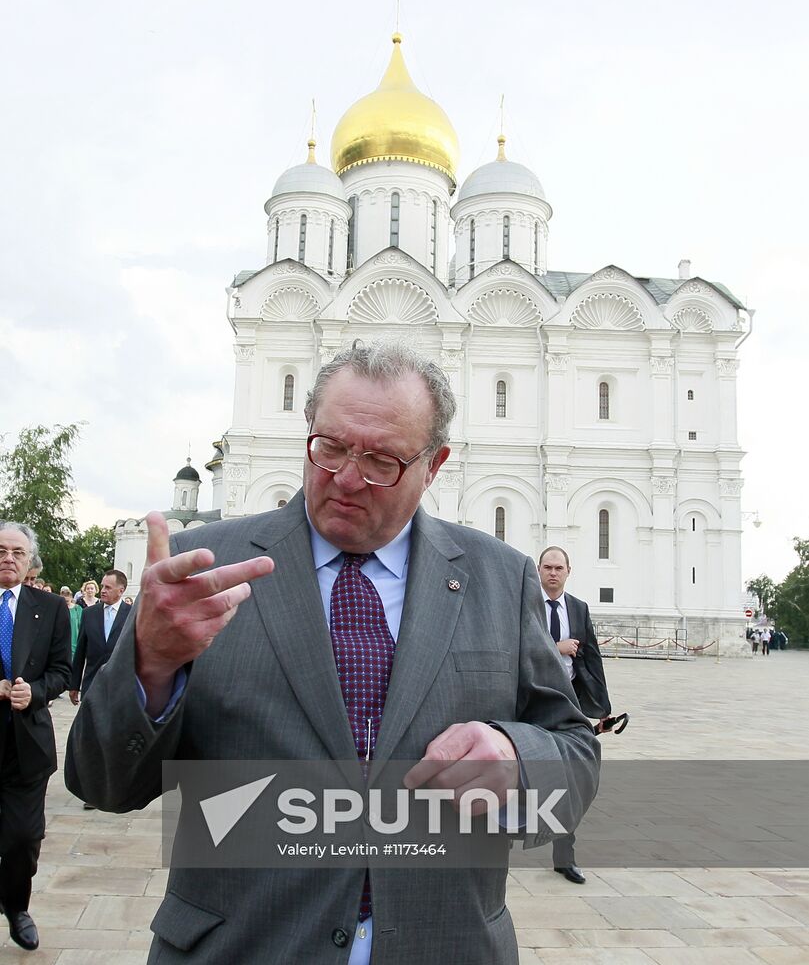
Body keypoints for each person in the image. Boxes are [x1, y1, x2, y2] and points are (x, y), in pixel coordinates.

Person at [66, 340, 600, 965]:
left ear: (435, 465)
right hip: (242, 945)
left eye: (382, 460)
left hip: (445, 943)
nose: (347, 478)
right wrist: (149, 665)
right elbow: (102, 782)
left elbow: (573, 749)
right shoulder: (203, 573)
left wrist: (517, 757)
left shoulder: (498, 579)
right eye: (332, 447)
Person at [0, 521, 71, 951]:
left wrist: (36, 691)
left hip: (27, 744)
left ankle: (17, 907)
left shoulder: (51, 609)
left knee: (24, 837)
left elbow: (62, 670)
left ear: (30, 561)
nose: (8, 558)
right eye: (0, 550)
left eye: (17, 552)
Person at [538, 546, 612, 885]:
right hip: (532, 701)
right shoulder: (526, 605)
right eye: (547, 567)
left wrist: (601, 709)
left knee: (572, 779)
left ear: (569, 571)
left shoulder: (578, 608)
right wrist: (556, 647)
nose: (553, 573)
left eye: (559, 568)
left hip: (570, 704)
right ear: (539, 571)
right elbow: (517, 648)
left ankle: (564, 857)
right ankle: (494, 849)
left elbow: (591, 657)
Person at [70, 570, 131, 704]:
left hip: (121, 686)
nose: (103, 590)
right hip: (92, 683)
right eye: (102, 586)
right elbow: (80, 651)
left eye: (108, 587)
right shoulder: (89, 614)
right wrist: (74, 684)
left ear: (121, 591)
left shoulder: (132, 615)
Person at [59, 588, 82, 657]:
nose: (66, 603)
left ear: (71, 598)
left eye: (67, 601)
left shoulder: (78, 609)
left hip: (75, 639)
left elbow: (82, 625)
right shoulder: (58, 608)